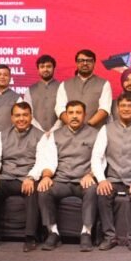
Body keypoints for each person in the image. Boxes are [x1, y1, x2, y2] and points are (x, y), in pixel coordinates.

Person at [0, 101, 47, 252]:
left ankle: (30, 237)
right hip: (6, 177)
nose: (21, 119)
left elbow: (41, 161)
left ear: (31, 117)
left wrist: (31, 177)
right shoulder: (1, 135)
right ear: (12, 118)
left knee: (33, 190)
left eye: (25, 115)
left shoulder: (41, 136)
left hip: (27, 177)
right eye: (17, 115)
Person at [36, 100, 101, 250]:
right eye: (71, 113)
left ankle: (86, 233)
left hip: (84, 180)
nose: (74, 116)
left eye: (78, 113)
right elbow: (50, 161)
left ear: (84, 115)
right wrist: (46, 177)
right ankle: (53, 232)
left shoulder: (95, 134)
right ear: (66, 115)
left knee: (92, 189)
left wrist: (91, 175)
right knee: (44, 190)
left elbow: (99, 159)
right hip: (61, 181)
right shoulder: (55, 135)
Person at [93, 93, 131, 251]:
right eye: (123, 106)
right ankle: (109, 237)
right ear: (117, 108)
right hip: (113, 179)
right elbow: (96, 157)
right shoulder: (106, 129)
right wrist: (102, 180)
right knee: (102, 193)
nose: (126, 109)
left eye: (130, 106)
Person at [54, 49, 111, 129]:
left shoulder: (104, 84)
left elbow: (104, 109)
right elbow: (60, 109)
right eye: (81, 60)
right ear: (76, 63)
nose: (85, 63)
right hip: (69, 132)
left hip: (94, 132)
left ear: (94, 63)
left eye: (89, 61)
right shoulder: (64, 85)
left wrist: (87, 127)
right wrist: (73, 126)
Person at [26, 54, 60, 133]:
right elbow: (28, 113)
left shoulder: (62, 87)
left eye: (48, 66)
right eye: (42, 67)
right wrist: (40, 130)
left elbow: (64, 111)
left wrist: (53, 129)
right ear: (38, 69)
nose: (45, 69)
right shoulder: (30, 90)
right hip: (35, 133)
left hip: (58, 132)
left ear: (54, 68)